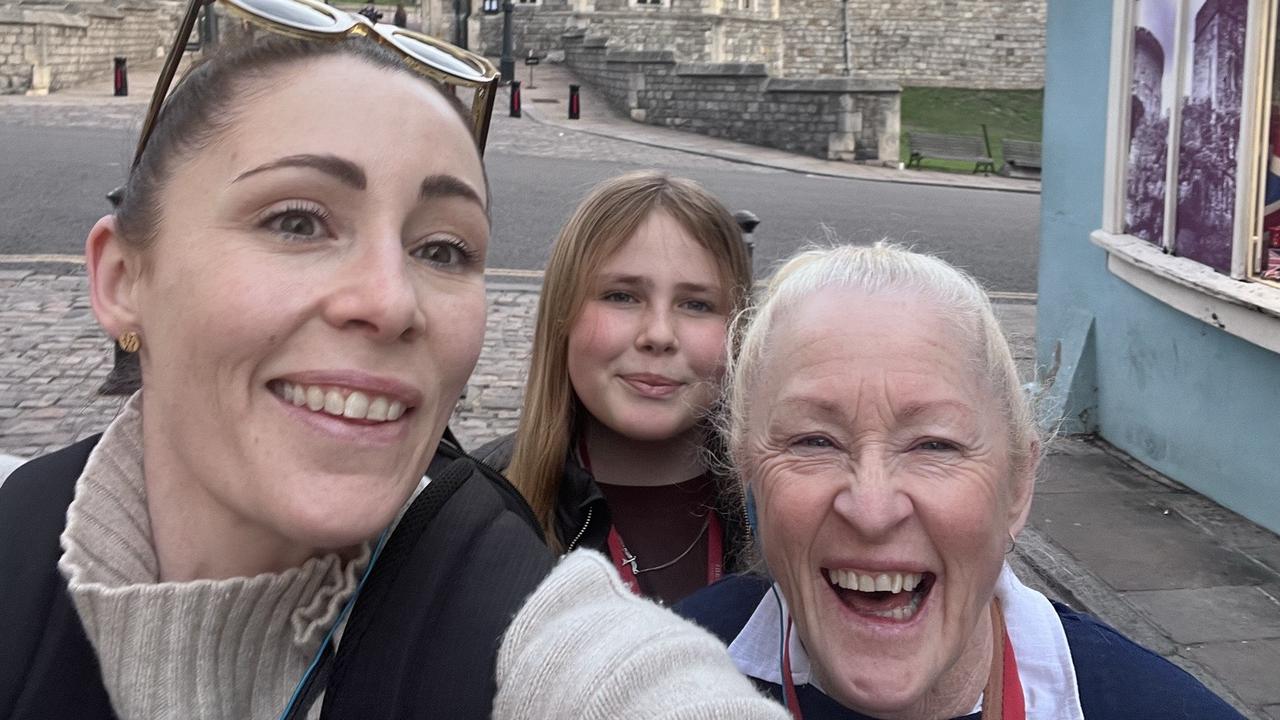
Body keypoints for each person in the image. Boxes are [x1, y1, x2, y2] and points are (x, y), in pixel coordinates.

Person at [0, 8, 788, 719]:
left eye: (442, 249)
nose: (390, 300)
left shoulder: (509, 597)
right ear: (121, 277)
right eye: (298, 221)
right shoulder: (19, 532)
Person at [677, 243, 1245, 719]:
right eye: (813, 442)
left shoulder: (1155, 709)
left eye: (934, 445)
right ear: (748, 472)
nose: (872, 510)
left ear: (1017, 485)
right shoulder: (662, 676)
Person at [476, 171, 754, 606]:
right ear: (561, 316)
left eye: (696, 304)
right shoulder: (475, 511)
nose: (659, 334)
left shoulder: (782, 515)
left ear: (738, 331)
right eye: (622, 296)